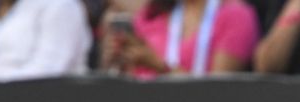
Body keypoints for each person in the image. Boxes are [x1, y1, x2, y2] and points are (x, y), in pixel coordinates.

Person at [102, 0, 259, 76]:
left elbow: (219, 94)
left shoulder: (235, 15)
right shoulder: (151, 15)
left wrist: (160, 67)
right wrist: (117, 60)